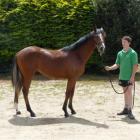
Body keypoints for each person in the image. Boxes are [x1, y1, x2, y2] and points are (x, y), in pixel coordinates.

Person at [105, 36, 138, 120]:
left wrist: (132, 77)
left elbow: (135, 66)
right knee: (125, 93)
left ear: (129, 43)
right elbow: (117, 64)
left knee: (129, 93)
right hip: (122, 77)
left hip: (129, 77)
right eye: (122, 42)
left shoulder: (133, 53)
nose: (123, 43)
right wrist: (110, 68)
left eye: (125, 42)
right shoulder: (120, 53)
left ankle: (130, 110)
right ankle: (126, 109)